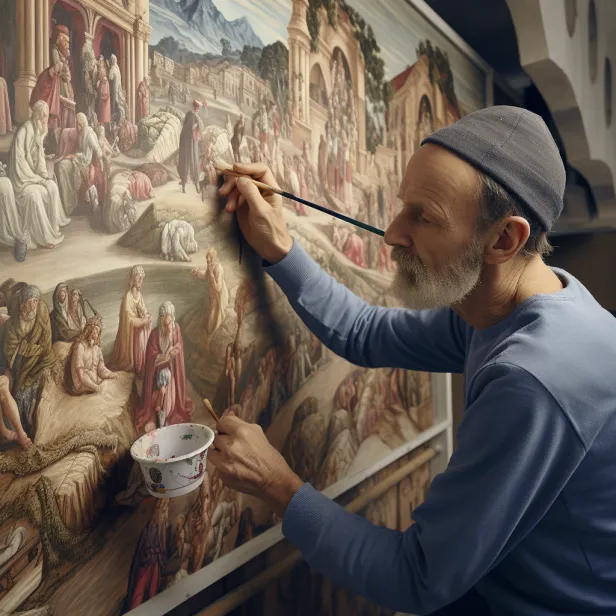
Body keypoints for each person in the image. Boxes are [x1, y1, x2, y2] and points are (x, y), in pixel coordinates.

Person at [210, 106, 616, 616]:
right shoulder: (509, 303)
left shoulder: (534, 380)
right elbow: (366, 332)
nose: (392, 234)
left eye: (423, 217)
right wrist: (279, 247)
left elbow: (417, 576)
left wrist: (276, 485)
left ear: (504, 239)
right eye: (405, 207)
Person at [8, 100, 70, 249]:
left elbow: (40, 159)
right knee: (34, 195)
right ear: (35, 115)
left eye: (46, 116)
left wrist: (43, 176)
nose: (44, 119)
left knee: (52, 186)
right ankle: (44, 237)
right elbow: (19, 163)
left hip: (33, 178)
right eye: (42, 115)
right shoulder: (25, 130)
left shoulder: (39, 131)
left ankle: (53, 228)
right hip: (22, 181)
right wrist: (36, 179)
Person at [134, 301, 193, 434]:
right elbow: (150, 355)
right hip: (157, 372)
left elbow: (179, 343)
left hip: (171, 371)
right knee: (157, 396)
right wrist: (163, 357)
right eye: (166, 320)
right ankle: (155, 418)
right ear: (161, 319)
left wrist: (175, 350)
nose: (169, 323)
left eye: (171, 319)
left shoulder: (176, 328)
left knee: (169, 398)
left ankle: (165, 417)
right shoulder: (155, 334)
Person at [3, 285, 54, 436]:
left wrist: (32, 350)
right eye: (30, 301)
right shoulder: (11, 325)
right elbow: (10, 352)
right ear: (23, 304)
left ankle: (37, 426)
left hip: (41, 360)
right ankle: (25, 429)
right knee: (21, 393)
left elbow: (46, 341)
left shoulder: (41, 311)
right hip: (20, 366)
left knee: (41, 383)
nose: (33, 306)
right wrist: (25, 350)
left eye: (35, 301)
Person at [109, 265, 152, 375]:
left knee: (146, 330)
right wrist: (143, 321)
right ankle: (138, 364)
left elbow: (144, 310)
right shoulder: (127, 297)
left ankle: (144, 362)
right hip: (130, 333)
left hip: (138, 327)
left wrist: (147, 316)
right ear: (133, 278)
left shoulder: (139, 295)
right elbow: (129, 320)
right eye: (138, 277)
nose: (141, 280)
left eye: (142, 277)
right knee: (141, 334)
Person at [65, 318, 117, 395]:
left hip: (94, 382)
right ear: (87, 331)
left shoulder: (97, 348)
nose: (94, 335)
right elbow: (80, 375)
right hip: (81, 384)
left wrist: (110, 374)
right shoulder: (80, 346)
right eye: (92, 331)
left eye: (97, 332)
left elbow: (101, 369)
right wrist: (94, 386)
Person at [178, 100, 203, 194]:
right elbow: (191, 128)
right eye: (198, 108)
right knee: (191, 162)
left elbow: (188, 127)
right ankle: (191, 184)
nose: (198, 109)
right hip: (189, 142)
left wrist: (197, 125)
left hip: (189, 141)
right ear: (196, 108)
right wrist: (197, 125)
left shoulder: (190, 114)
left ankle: (189, 184)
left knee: (190, 162)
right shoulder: (192, 115)